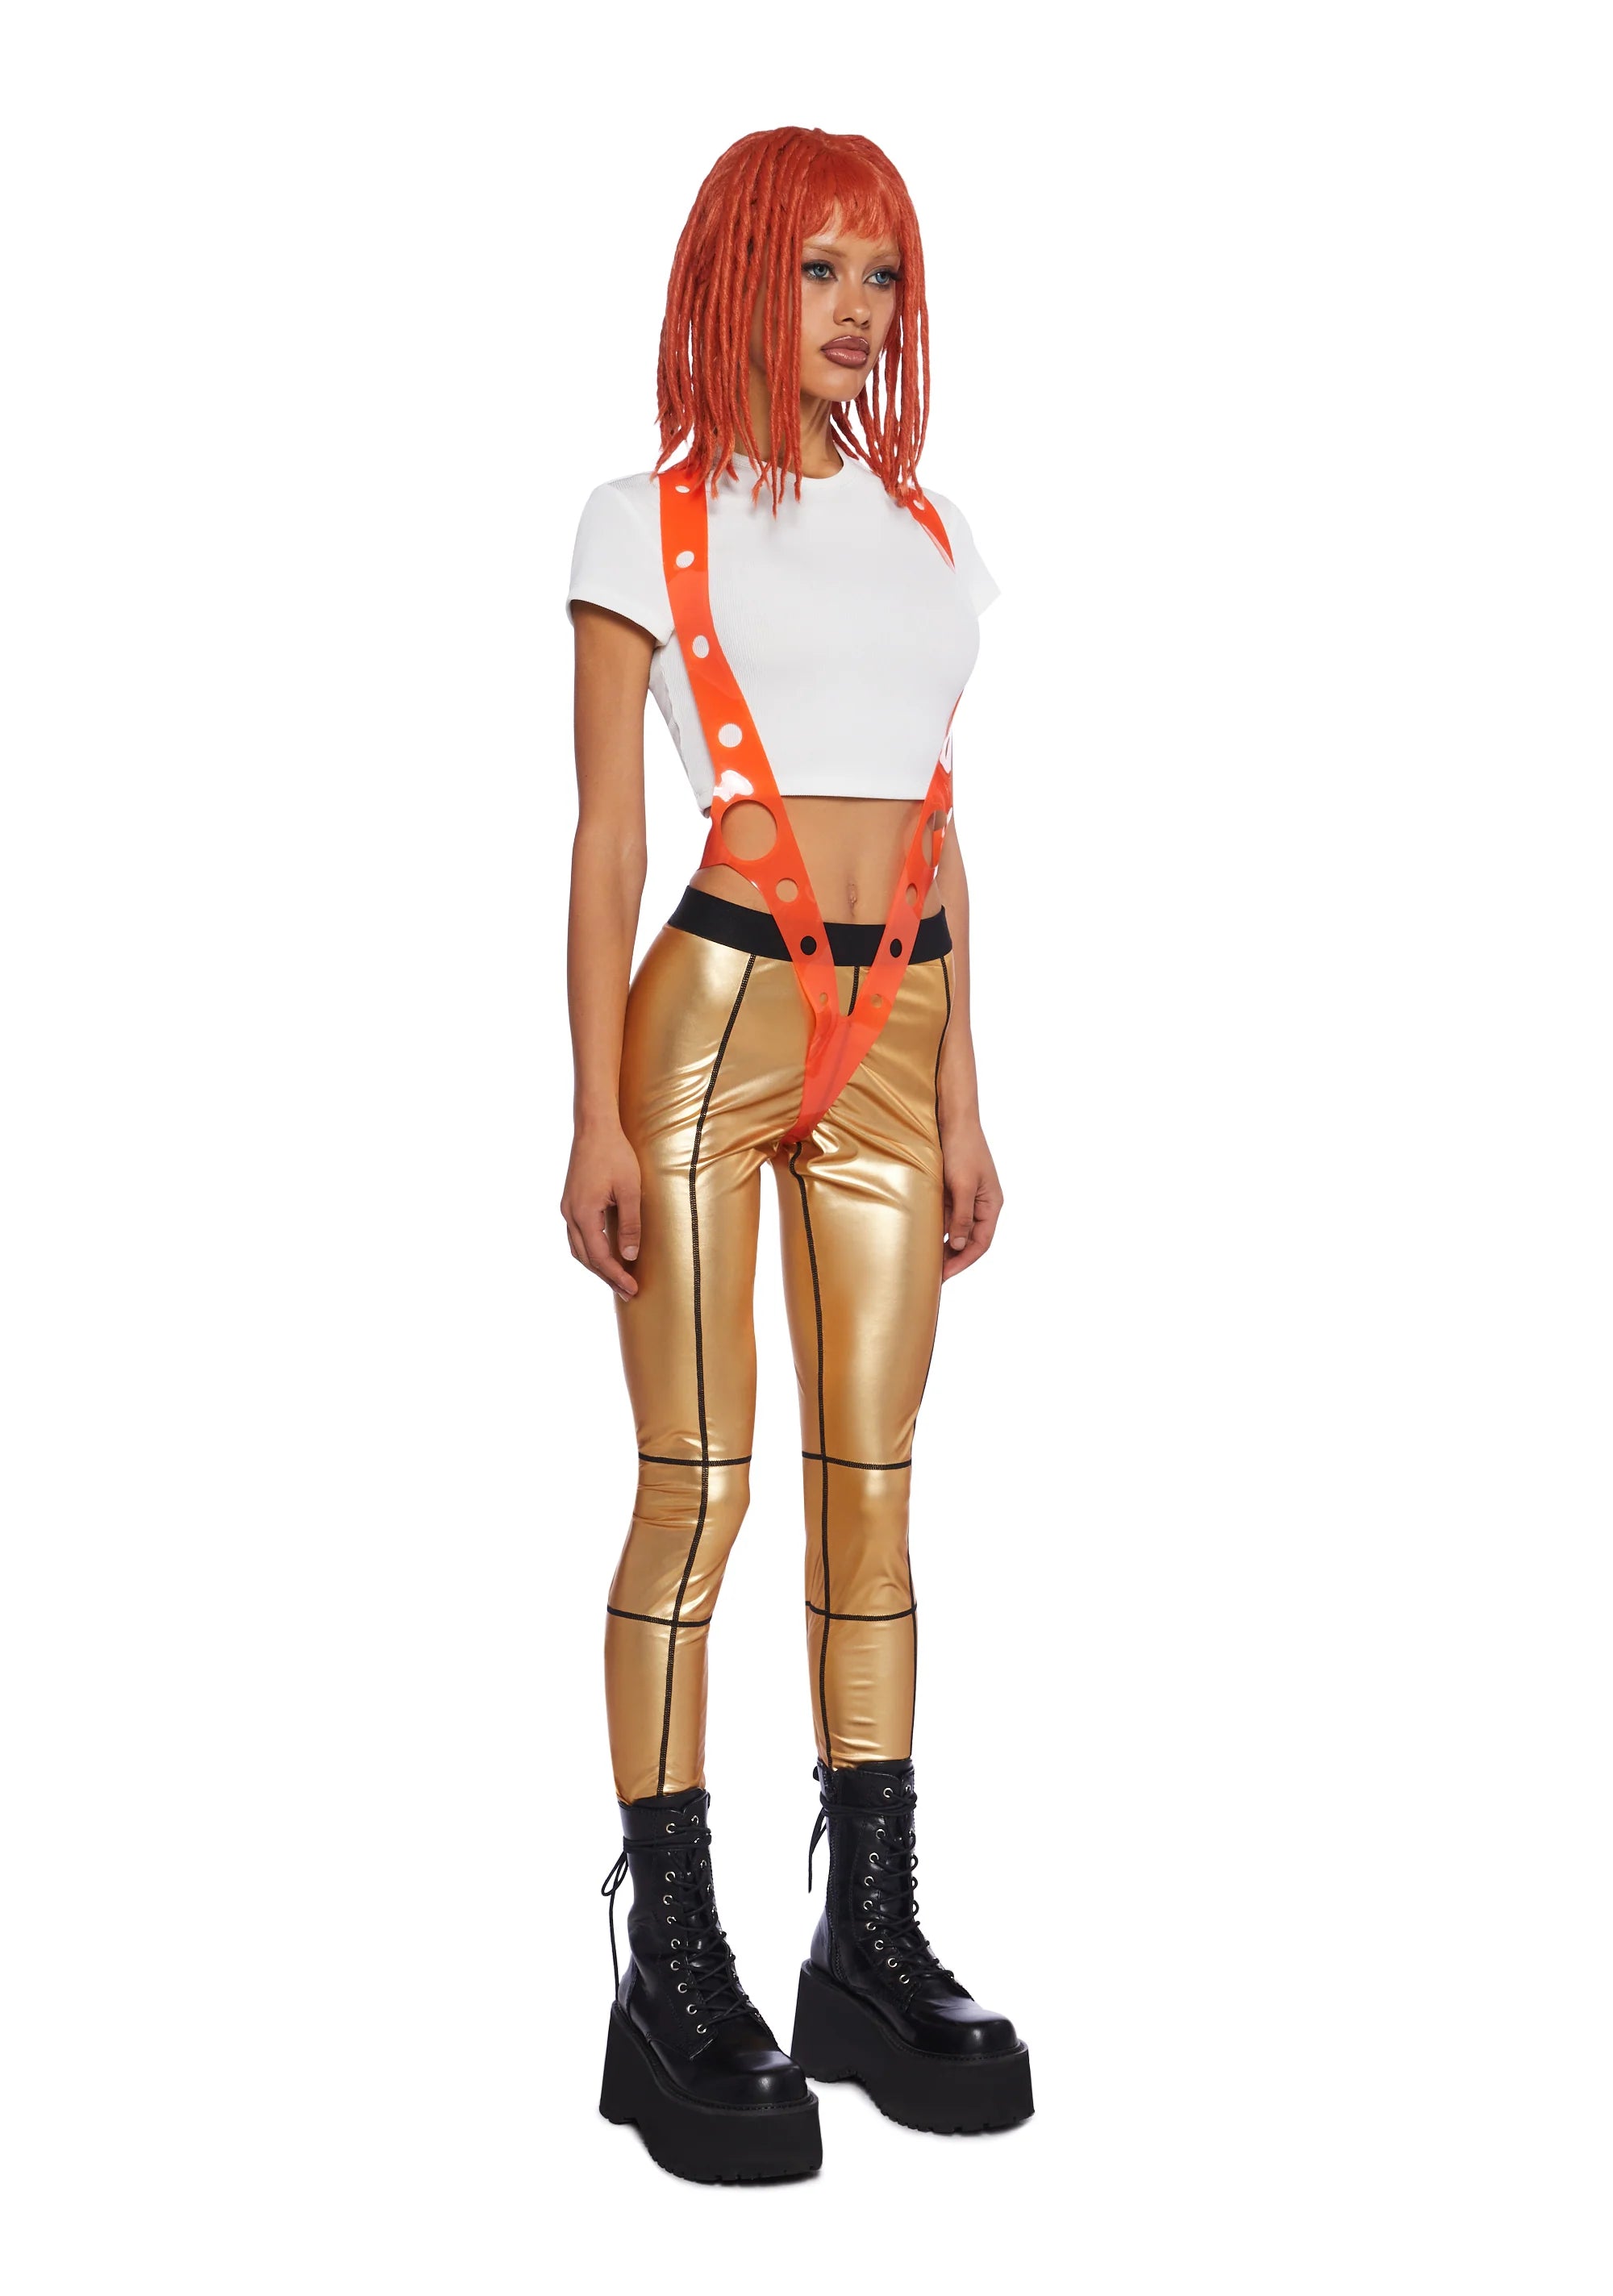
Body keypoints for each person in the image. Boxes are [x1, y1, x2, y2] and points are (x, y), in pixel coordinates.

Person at [563, 125, 1032, 2182]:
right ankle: (670, 1957)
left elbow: (941, 822)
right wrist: (590, 1106)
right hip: (716, 1014)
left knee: (875, 1490)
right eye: (820, 269)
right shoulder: (642, 519)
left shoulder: (929, 533)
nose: (857, 309)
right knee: (699, 1481)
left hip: (898, 1024)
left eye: (882, 274)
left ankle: (868, 1935)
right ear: (740, 280)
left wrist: (967, 1091)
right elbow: (604, 834)